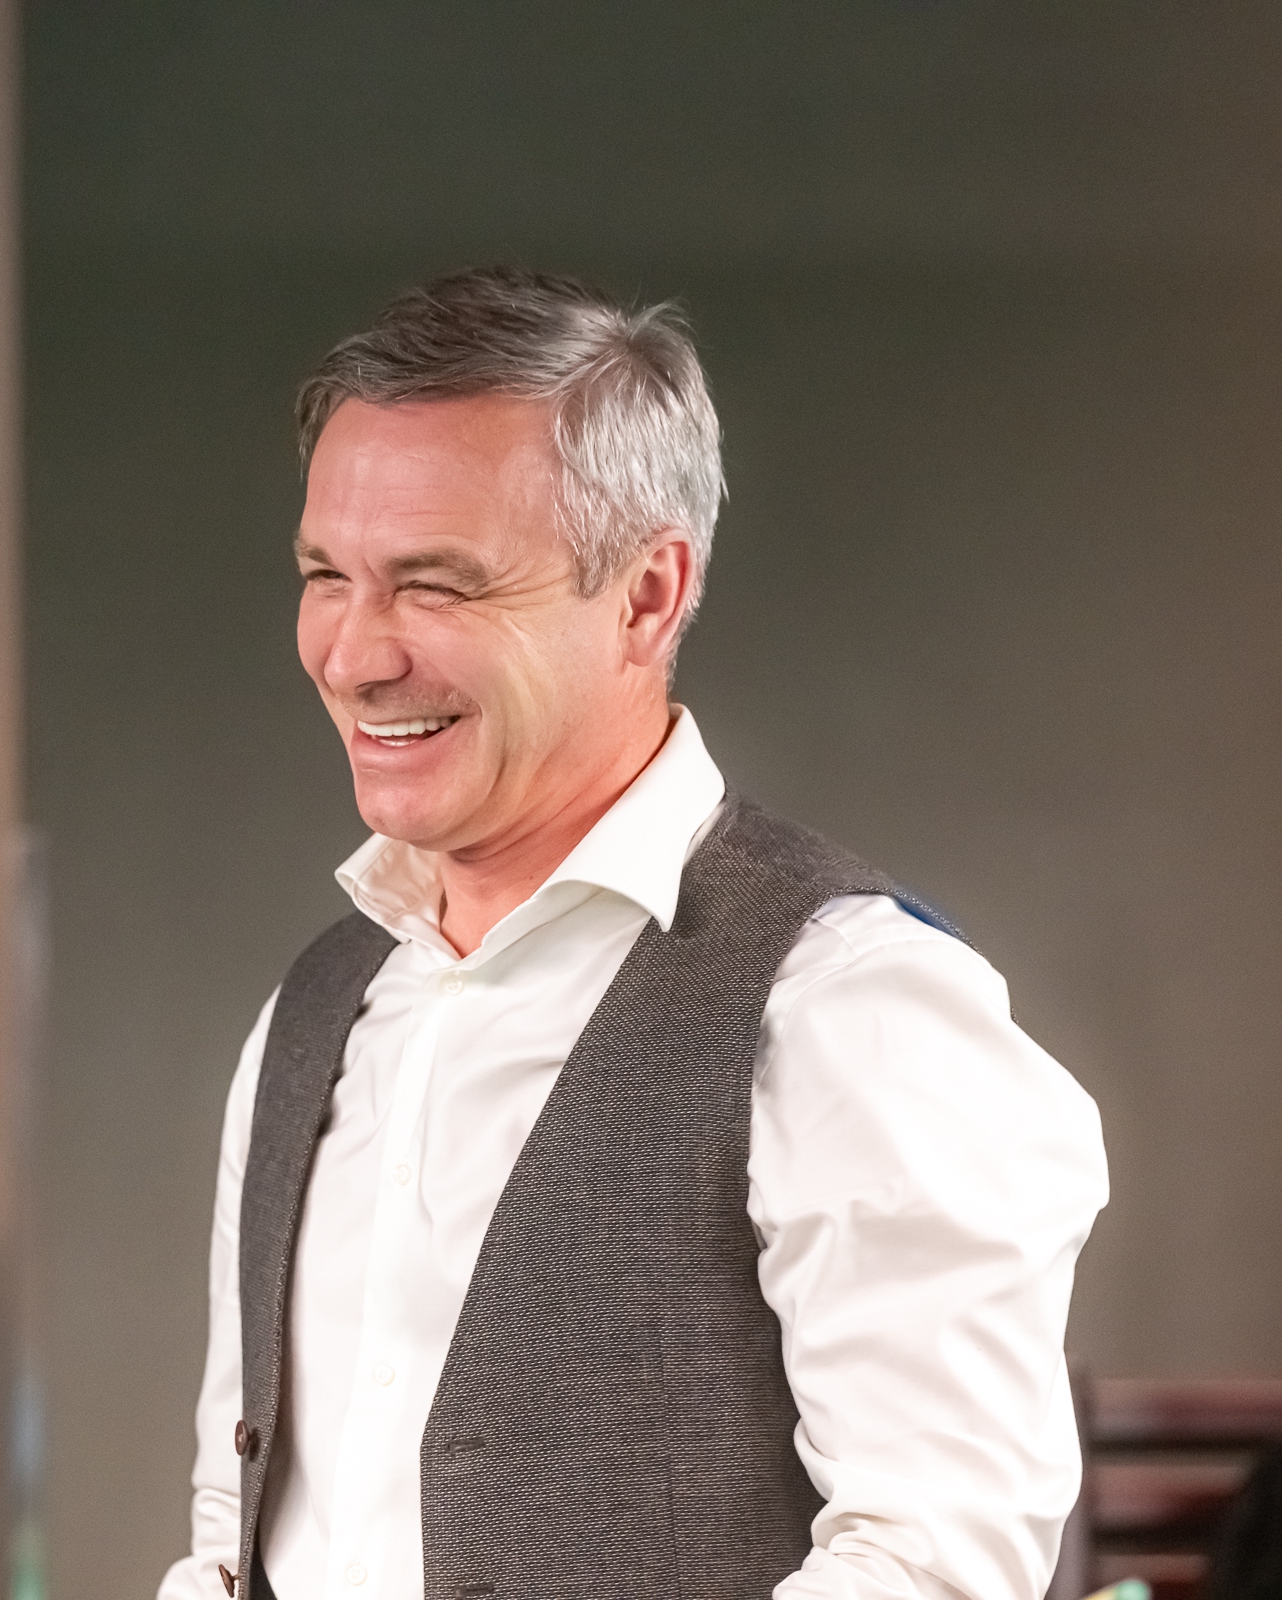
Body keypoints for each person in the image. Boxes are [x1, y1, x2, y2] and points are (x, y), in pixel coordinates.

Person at [154, 266, 1110, 1600]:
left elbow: (933, 1563)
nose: (355, 655)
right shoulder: (312, 1013)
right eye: (328, 575)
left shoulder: (849, 1007)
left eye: (435, 585)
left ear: (647, 597)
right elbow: (237, 1526)